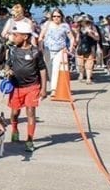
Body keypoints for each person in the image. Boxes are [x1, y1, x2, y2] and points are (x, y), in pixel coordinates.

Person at [5, 20, 48, 152]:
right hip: (16, 87)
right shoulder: (12, 51)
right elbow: (8, 65)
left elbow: (42, 69)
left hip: (32, 86)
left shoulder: (35, 52)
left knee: (31, 112)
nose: (13, 37)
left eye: (16, 35)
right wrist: (7, 71)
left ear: (25, 36)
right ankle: (14, 128)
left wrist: (44, 88)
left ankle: (30, 139)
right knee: (14, 113)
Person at [37, 8, 74, 97]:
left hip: (60, 50)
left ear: (61, 17)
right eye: (54, 16)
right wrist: (40, 47)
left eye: (58, 16)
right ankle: (43, 88)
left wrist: (70, 48)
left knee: (56, 70)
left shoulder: (65, 26)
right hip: (47, 50)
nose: (56, 18)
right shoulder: (47, 24)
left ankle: (54, 89)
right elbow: (41, 37)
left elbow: (71, 38)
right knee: (47, 69)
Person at [73, 15, 100, 84]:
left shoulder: (92, 27)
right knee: (80, 63)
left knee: (89, 63)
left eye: (85, 21)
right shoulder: (79, 28)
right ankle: (81, 75)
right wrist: (75, 43)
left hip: (90, 47)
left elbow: (97, 38)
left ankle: (88, 78)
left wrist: (91, 34)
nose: (83, 22)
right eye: (82, 21)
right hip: (81, 47)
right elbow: (77, 38)